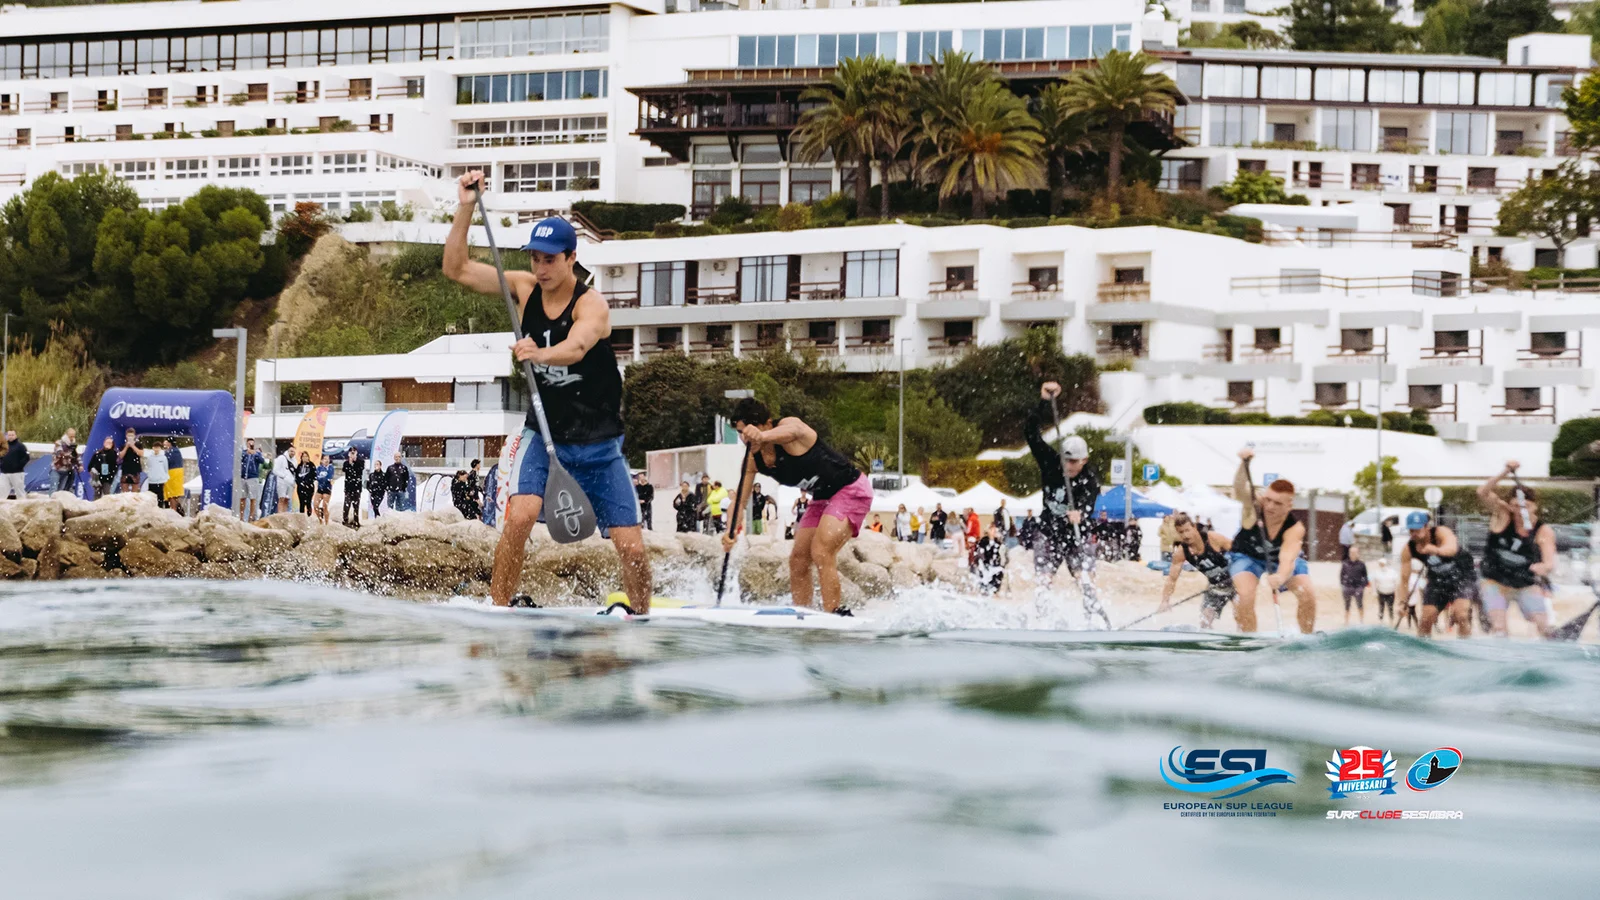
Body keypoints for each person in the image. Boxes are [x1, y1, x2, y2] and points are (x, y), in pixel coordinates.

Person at [443, 171, 650, 611]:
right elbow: (456, 268)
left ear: (571, 258)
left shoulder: (592, 304)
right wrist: (465, 205)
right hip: (546, 435)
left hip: (600, 444)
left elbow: (576, 348)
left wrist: (539, 354)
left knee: (631, 548)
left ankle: (642, 618)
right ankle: (499, 607)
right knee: (518, 518)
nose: (540, 268)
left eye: (549, 259)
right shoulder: (523, 289)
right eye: (535, 258)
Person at [723, 398, 871, 614]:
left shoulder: (789, 428)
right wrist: (729, 532)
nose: (745, 438)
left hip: (851, 489)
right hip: (822, 497)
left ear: (768, 423)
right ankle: (803, 614)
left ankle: (835, 613)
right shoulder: (753, 460)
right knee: (798, 559)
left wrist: (762, 436)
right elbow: (739, 502)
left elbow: (795, 431)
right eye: (740, 432)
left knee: (821, 551)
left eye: (749, 431)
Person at [1025, 382, 1103, 623]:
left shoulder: (1090, 479)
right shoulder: (1050, 462)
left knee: (1083, 576)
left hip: (1075, 534)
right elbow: (1030, 433)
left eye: (1074, 463)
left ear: (1084, 460)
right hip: (1049, 530)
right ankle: (1041, 618)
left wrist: (1082, 513)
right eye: (1066, 462)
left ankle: (1094, 617)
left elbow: (1090, 502)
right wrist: (1044, 402)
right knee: (1044, 577)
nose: (1069, 467)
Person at [1229, 447, 1317, 634]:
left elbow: (1288, 560)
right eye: (1268, 500)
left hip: (1279, 561)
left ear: (1289, 505)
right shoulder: (1253, 509)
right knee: (1244, 596)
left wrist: (1280, 577)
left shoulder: (1295, 528)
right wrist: (1244, 464)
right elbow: (1238, 489)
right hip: (1247, 556)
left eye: (1277, 503)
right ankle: (1248, 639)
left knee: (1307, 593)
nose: (1269, 506)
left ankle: (1307, 638)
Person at [1476, 461, 1556, 638]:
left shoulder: (1543, 530)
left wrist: (1543, 567)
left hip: (1525, 584)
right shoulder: (1503, 515)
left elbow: (1549, 562)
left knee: (1545, 627)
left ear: (1535, 506)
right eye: (1516, 506)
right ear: (1511, 506)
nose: (1521, 511)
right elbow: (1482, 492)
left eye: (1525, 506)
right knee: (1499, 628)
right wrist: (1505, 471)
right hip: (1494, 582)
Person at [1157, 512, 1235, 630]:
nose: (1185, 535)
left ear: (1194, 527)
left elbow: (1241, 553)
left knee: (1242, 615)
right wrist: (1165, 601)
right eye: (1181, 532)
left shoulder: (1213, 538)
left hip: (1237, 582)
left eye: (1187, 530)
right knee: (1204, 621)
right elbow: (1171, 579)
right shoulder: (1181, 553)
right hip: (1216, 586)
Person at [1399, 511, 1469, 639]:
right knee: (1425, 620)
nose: (1414, 534)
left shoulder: (1440, 532)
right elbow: (1404, 579)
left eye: (1418, 530)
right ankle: (1423, 652)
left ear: (1426, 527)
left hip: (1461, 576)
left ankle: (1466, 645)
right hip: (1437, 580)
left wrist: (1436, 550)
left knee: (1461, 615)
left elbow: (1452, 548)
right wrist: (1402, 603)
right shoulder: (1408, 549)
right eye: (1411, 530)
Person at [1340, 544, 1370, 627]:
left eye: (1354, 552)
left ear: (1358, 554)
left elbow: (1366, 577)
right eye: (1351, 552)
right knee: (1347, 605)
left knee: (1360, 604)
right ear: (1349, 553)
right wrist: (1343, 585)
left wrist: (1363, 586)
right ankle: (1346, 622)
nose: (1352, 554)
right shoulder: (1345, 563)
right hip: (1347, 587)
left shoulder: (1362, 564)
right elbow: (1341, 575)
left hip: (1358, 587)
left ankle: (1361, 621)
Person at [973, 523, 1007, 594]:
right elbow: (979, 553)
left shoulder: (998, 542)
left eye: (995, 530)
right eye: (992, 529)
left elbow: (1001, 554)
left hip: (995, 566)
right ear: (988, 530)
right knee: (984, 576)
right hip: (985, 565)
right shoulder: (984, 541)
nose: (994, 531)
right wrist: (982, 562)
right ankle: (984, 588)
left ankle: (994, 590)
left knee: (998, 574)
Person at [239, 438, 265, 521]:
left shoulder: (257, 453)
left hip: (253, 477)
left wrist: (256, 454)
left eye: (252, 444)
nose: (250, 445)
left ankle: (251, 517)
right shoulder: (243, 452)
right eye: (249, 443)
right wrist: (246, 454)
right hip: (243, 477)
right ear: (246, 444)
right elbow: (238, 459)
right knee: (242, 497)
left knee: (253, 498)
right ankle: (241, 517)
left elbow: (262, 461)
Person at [141, 440, 169, 508]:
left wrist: (164, 477)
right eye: (155, 447)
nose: (156, 449)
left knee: (160, 497)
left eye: (158, 447)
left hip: (160, 480)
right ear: (153, 448)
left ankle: (160, 508)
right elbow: (148, 466)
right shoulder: (150, 457)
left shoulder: (163, 458)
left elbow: (166, 468)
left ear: (160, 448)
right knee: (151, 496)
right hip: (152, 480)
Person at [0, 431, 28, 499]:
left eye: (12, 435)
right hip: (5, 472)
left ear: (15, 435)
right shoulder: (4, 446)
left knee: (19, 491)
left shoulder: (20, 446)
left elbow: (26, 457)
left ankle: (23, 505)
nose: (11, 436)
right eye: (9, 435)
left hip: (17, 473)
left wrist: (19, 466)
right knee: (2, 491)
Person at [341, 449, 364, 527]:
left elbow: (360, 469)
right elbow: (344, 469)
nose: (352, 454)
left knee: (356, 506)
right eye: (351, 453)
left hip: (357, 487)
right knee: (346, 505)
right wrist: (350, 463)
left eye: (354, 452)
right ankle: (345, 520)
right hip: (348, 487)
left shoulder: (360, 461)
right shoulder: (346, 463)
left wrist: (355, 461)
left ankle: (356, 521)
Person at [52, 428, 79, 495]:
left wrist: (79, 464)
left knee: (61, 490)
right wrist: (70, 453)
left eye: (73, 436)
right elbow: (60, 454)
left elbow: (76, 456)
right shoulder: (59, 443)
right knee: (54, 489)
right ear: (66, 435)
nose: (72, 438)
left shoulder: (72, 445)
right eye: (71, 436)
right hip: (57, 469)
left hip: (66, 470)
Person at [1372, 556, 1399, 623]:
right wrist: (1374, 592)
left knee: (1390, 607)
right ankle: (1381, 621)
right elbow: (1374, 583)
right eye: (1380, 563)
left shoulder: (1392, 572)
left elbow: (1396, 582)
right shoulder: (1377, 572)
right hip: (1381, 592)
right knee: (1381, 607)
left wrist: (1396, 591)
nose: (1381, 565)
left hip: (1391, 592)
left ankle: (1391, 621)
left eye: (1382, 563)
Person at [118, 430, 142, 494]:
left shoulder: (138, 444)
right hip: (125, 469)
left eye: (131, 436)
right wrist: (126, 446)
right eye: (129, 435)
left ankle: (134, 503)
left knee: (135, 493)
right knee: (125, 492)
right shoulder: (123, 445)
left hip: (135, 469)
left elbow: (141, 453)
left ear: (134, 436)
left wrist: (132, 446)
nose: (130, 437)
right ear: (126, 436)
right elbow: (120, 456)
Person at [163, 440, 185, 510]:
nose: (164, 444)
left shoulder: (171, 452)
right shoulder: (176, 451)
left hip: (172, 473)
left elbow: (166, 461)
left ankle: (173, 509)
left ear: (169, 443)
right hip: (176, 473)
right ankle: (174, 508)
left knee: (172, 494)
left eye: (166, 442)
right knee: (174, 494)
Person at [313, 454, 334, 525]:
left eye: (328, 459)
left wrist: (322, 478)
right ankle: (320, 520)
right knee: (315, 505)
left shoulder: (331, 467)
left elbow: (329, 477)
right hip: (320, 489)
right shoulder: (319, 468)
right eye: (325, 459)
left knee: (325, 507)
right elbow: (317, 477)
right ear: (322, 460)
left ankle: (327, 523)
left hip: (327, 489)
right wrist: (322, 478)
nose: (327, 460)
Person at [294, 451, 316, 518]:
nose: (305, 458)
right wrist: (299, 482)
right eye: (303, 456)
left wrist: (308, 482)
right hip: (300, 487)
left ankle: (309, 516)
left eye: (306, 456)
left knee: (308, 503)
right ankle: (302, 517)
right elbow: (296, 476)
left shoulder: (311, 465)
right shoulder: (299, 466)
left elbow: (314, 476)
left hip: (309, 487)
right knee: (301, 503)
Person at [274, 447, 296, 514]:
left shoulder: (295, 461)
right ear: (288, 451)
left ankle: (284, 514)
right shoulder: (281, 458)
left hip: (290, 483)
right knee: (281, 498)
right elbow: (275, 470)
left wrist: (293, 481)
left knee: (287, 499)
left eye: (293, 452)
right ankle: (280, 514)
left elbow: (295, 472)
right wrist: (284, 476)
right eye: (291, 451)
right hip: (282, 482)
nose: (292, 453)